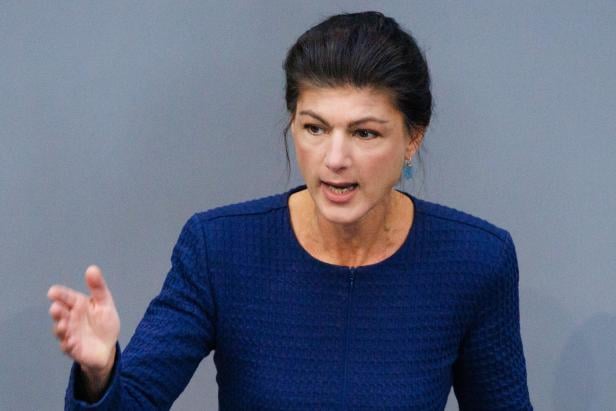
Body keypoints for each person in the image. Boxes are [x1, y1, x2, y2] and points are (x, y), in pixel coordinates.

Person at [47, 11, 533, 410]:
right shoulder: (219, 248)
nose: (334, 159)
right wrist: (100, 372)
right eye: (315, 128)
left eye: (365, 133)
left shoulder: (475, 259)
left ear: (412, 139)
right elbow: (133, 401)